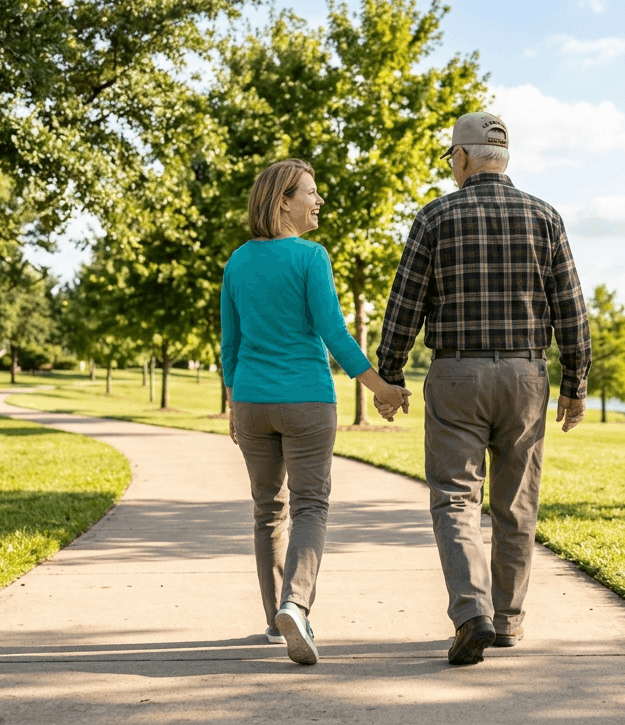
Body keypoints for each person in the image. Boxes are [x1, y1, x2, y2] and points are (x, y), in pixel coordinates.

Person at [374, 112, 591, 666]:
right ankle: (510, 620)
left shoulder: (434, 217)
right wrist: (576, 381)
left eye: (451, 157)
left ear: (464, 158)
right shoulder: (546, 217)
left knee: (455, 498)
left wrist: (391, 374)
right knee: (516, 500)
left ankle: (472, 613)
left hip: (456, 374)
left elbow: (405, 304)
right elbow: (570, 305)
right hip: (524, 374)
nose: (451, 167)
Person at [221, 159, 410, 666]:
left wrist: (233, 405)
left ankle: (273, 620)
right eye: (311, 192)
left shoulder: (237, 261)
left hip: (253, 401)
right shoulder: (311, 257)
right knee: (310, 506)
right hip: (305, 400)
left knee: (268, 510)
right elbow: (335, 334)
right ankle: (296, 606)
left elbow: (230, 343)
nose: (319, 200)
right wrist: (381, 387)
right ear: (282, 201)